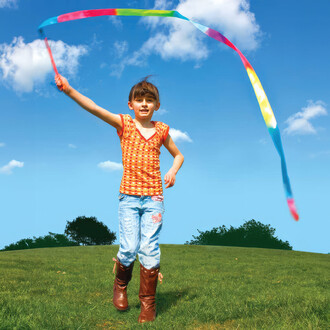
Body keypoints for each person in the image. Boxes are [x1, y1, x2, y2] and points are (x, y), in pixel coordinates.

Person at [55, 74, 184, 323]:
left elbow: (178, 155)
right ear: (130, 105)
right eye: (139, 100)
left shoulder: (161, 130)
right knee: (128, 249)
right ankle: (120, 285)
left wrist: (173, 170)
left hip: (154, 198)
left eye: (150, 100)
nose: (144, 104)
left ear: (157, 105)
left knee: (149, 249)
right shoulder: (124, 124)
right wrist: (69, 90)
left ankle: (148, 305)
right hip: (129, 198)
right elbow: (94, 108)